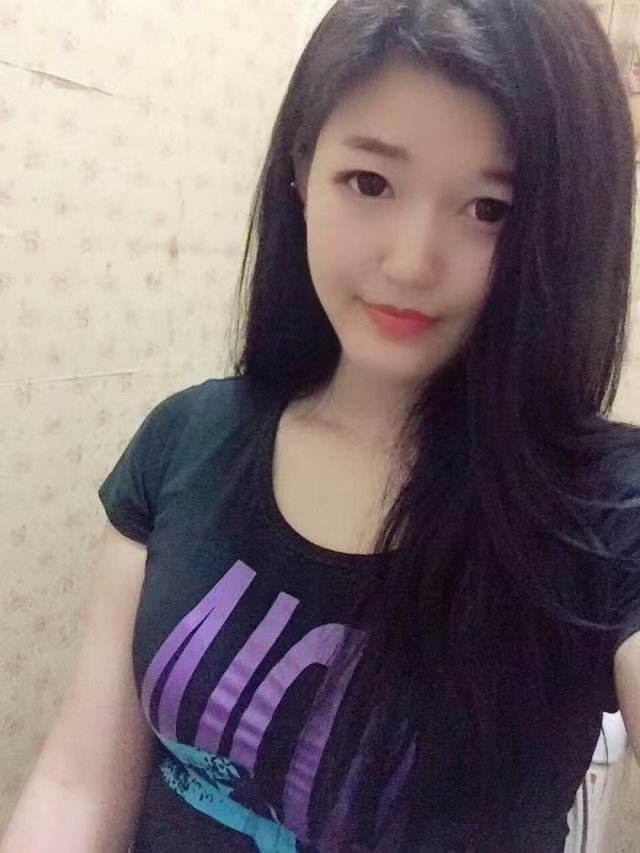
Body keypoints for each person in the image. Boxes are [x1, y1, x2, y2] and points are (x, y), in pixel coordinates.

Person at [3, 0, 640, 850]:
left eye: (490, 208)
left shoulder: (605, 511)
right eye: (370, 183)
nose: (411, 262)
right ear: (301, 173)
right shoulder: (186, 438)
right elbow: (79, 782)